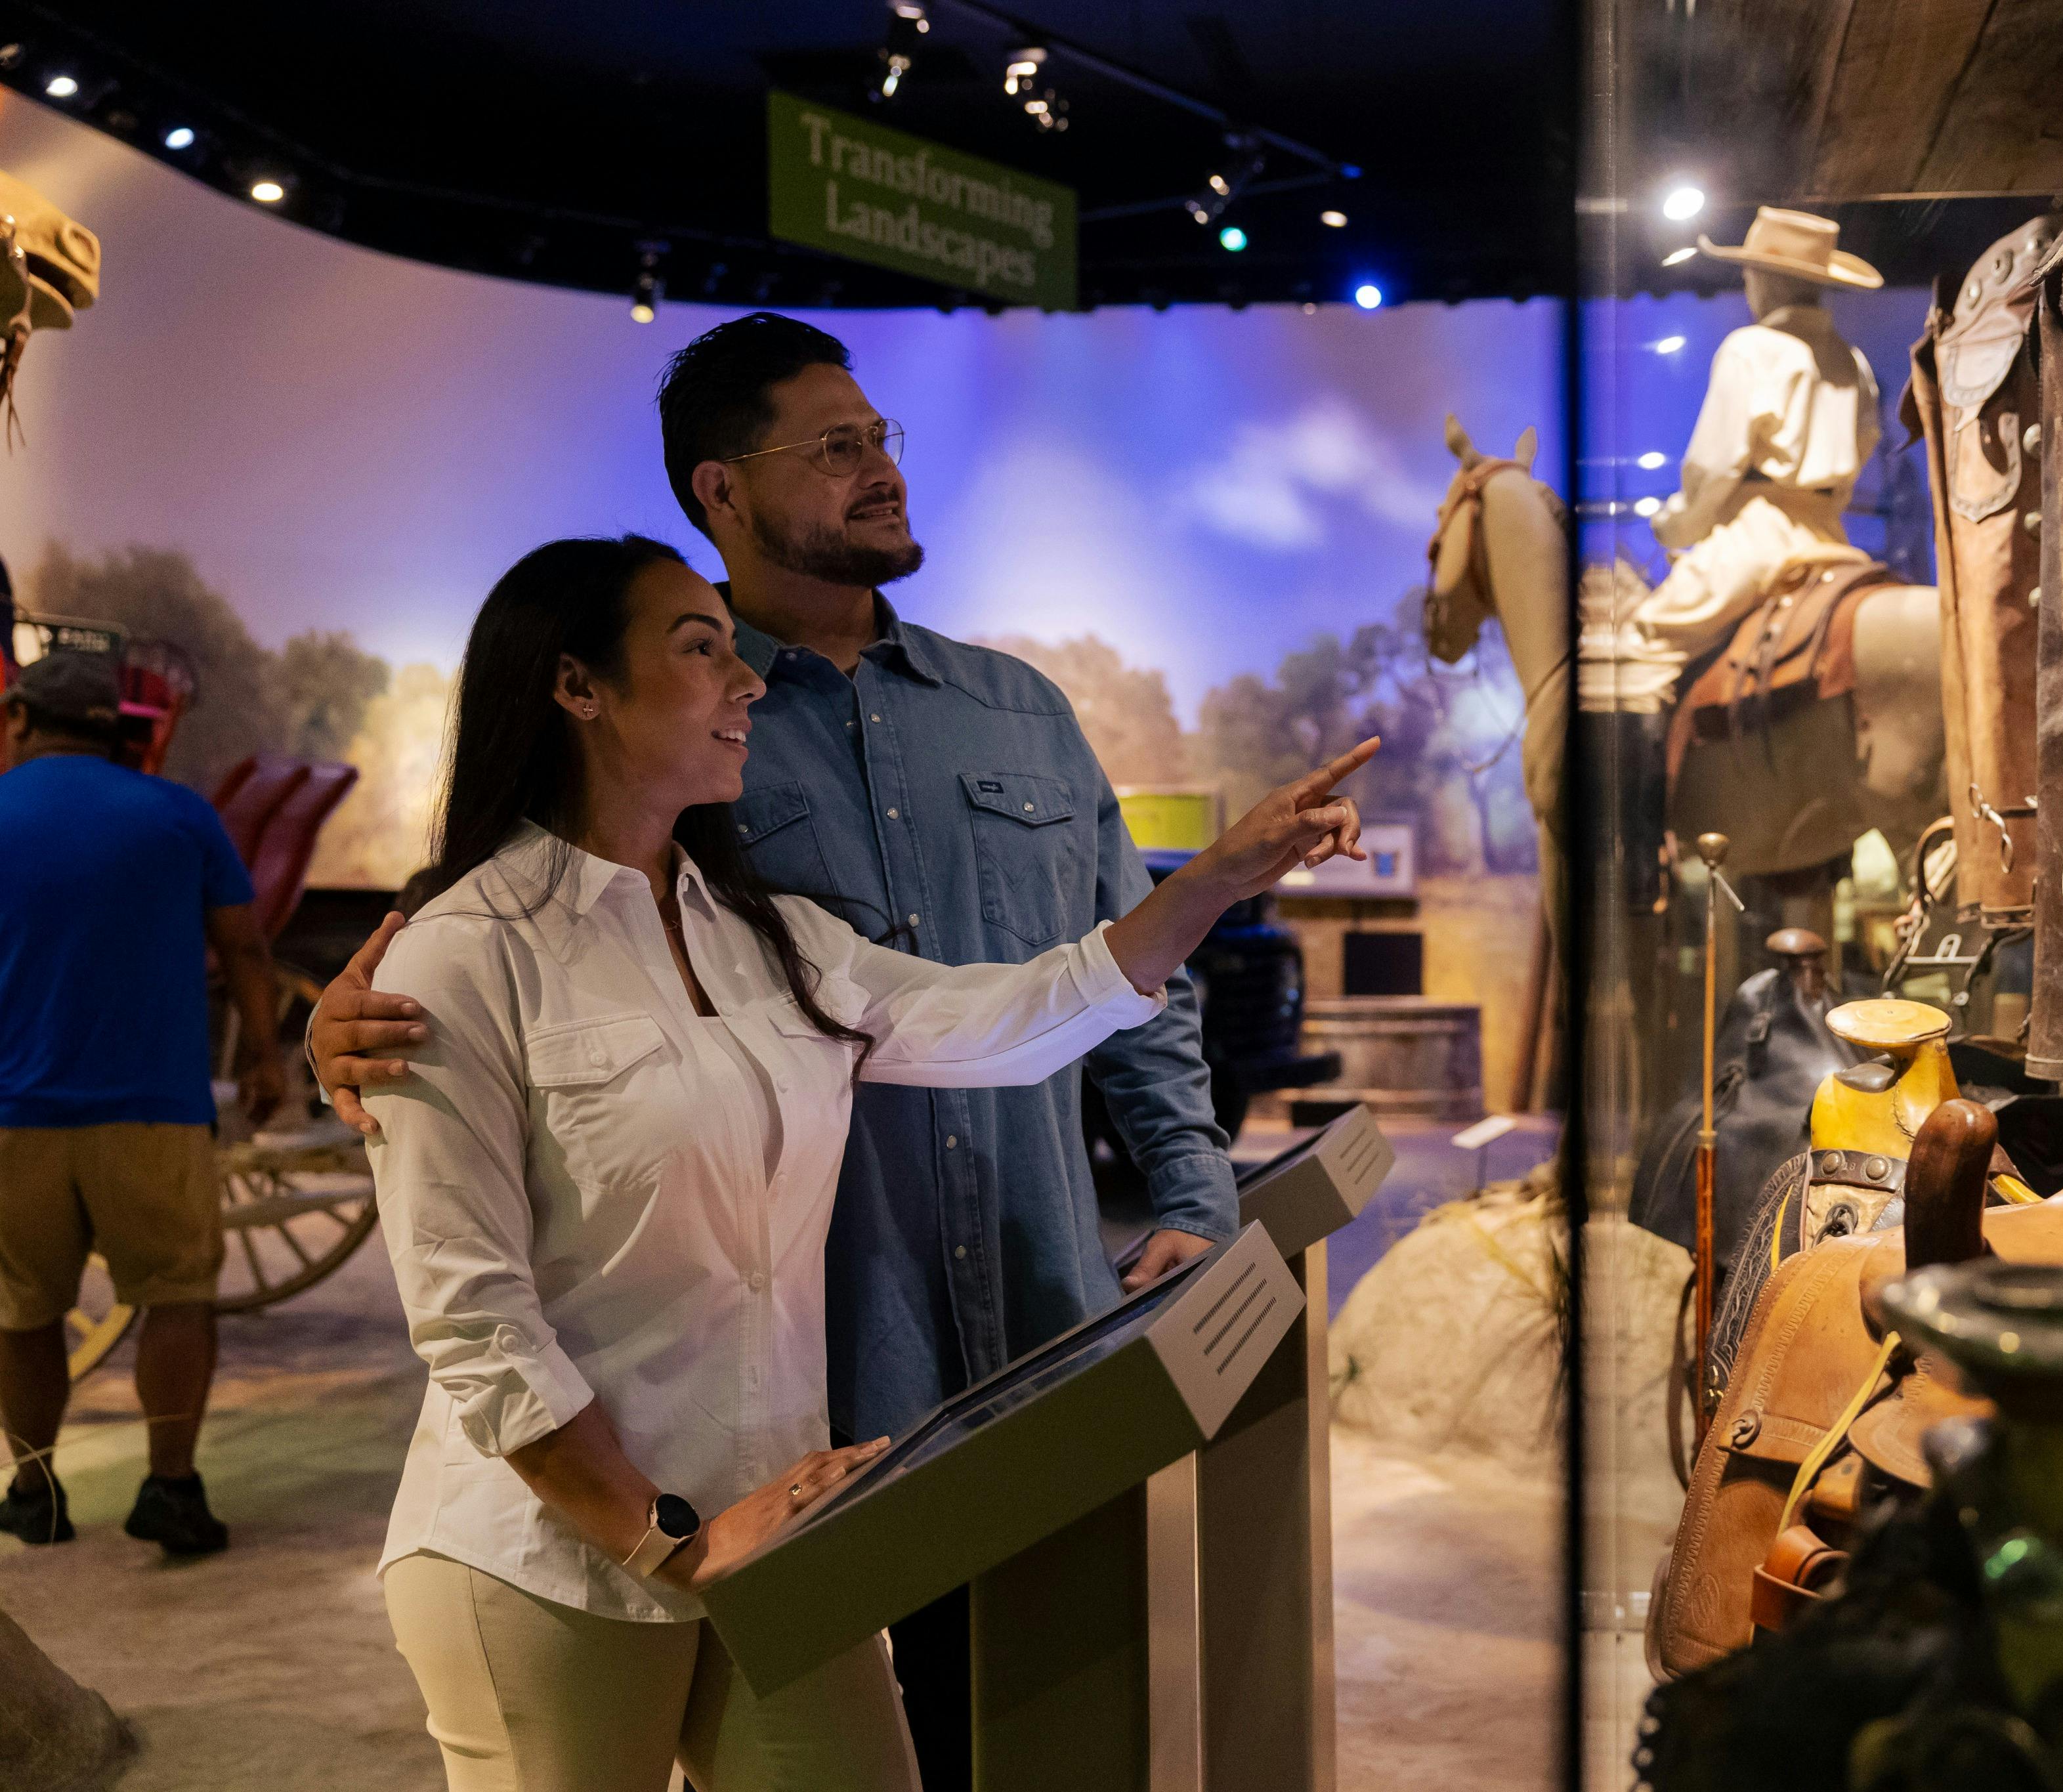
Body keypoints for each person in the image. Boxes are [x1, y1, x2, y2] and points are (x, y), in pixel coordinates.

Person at [310, 314, 1253, 1776]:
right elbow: (473, 1311)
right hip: (571, 1550)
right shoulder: (467, 951)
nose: (740, 682)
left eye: (883, 437)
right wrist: (661, 1543)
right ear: (720, 493)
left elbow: (998, 1014)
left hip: (815, 1483)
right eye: (835, 444)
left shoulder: (771, 936)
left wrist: (1203, 894)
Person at [0, 649, 286, 1554]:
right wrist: (267, 1056)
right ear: (117, 728)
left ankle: (35, 1490)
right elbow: (242, 946)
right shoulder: (177, 813)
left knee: (23, 1309)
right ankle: (170, 1490)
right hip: (154, 1107)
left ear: (17, 719)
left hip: (14, 1111)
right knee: (177, 1296)